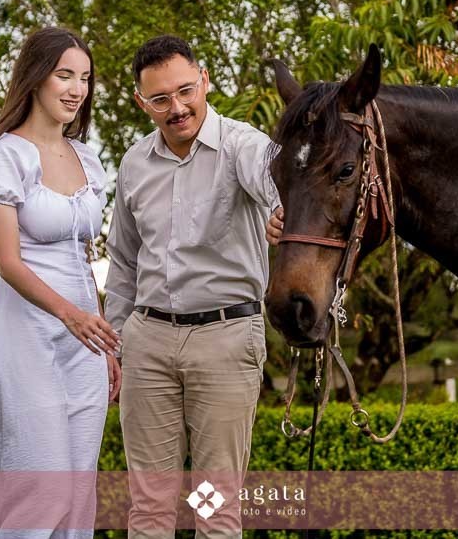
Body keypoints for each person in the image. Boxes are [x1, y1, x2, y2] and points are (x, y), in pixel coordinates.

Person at [0, 27, 121, 539]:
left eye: (84, 78)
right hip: (26, 337)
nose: (76, 89)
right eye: (65, 75)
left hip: (84, 341)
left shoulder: (88, 158)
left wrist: (102, 336)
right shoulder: (6, 156)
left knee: (79, 492)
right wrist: (72, 315)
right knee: (44, 490)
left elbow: (86, 259)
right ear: (36, 78)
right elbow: (10, 264)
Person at [105, 35, 281, 539]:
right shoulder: (135, 164)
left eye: (186, 91)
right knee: (149, 509)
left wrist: (282, 209)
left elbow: (275, 180)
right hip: (148, 342)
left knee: (215, 508)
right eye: (160, 99)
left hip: (225, 339)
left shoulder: (243, 144)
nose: (177, 108)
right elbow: (122, 259)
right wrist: (118, 343)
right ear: (142, 103)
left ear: (204, 81)